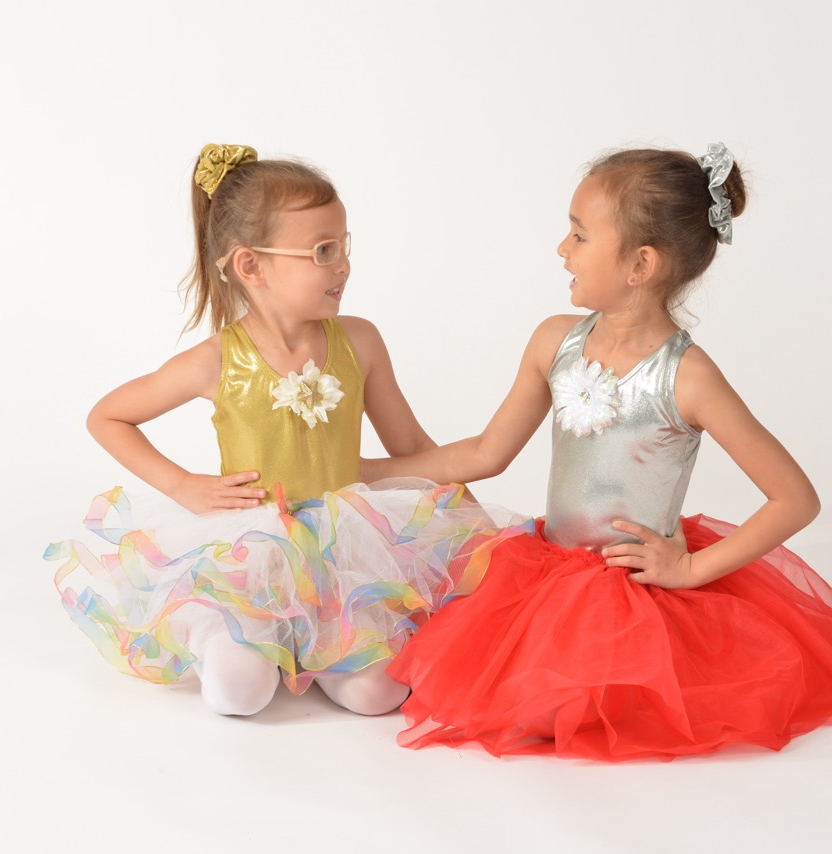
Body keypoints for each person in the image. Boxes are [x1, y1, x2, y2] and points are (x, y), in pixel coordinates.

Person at [369, 143, 832, 761]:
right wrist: (367, 470)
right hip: (547, 571)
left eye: (578, 235)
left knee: (556, 710)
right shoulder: (555, 341)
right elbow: (486, 454)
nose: (560, 250)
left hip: (632, 588)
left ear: (640, 264)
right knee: (441, 678)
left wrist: (691, 571)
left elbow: (794, 497)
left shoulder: (688, 378)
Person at [46, 144, 527, 718]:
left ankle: (311, 644)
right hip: (250, 550)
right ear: (252, 266)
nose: (342, 265)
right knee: (239, 694)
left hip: (347, 546)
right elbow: (108, 415)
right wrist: (182, 484)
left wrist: (472, 526)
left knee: (380, 695)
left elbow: (414, 452)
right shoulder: (217, 360)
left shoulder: (360, 342)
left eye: (344, 248)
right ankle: (217, 628)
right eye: (323, 251)